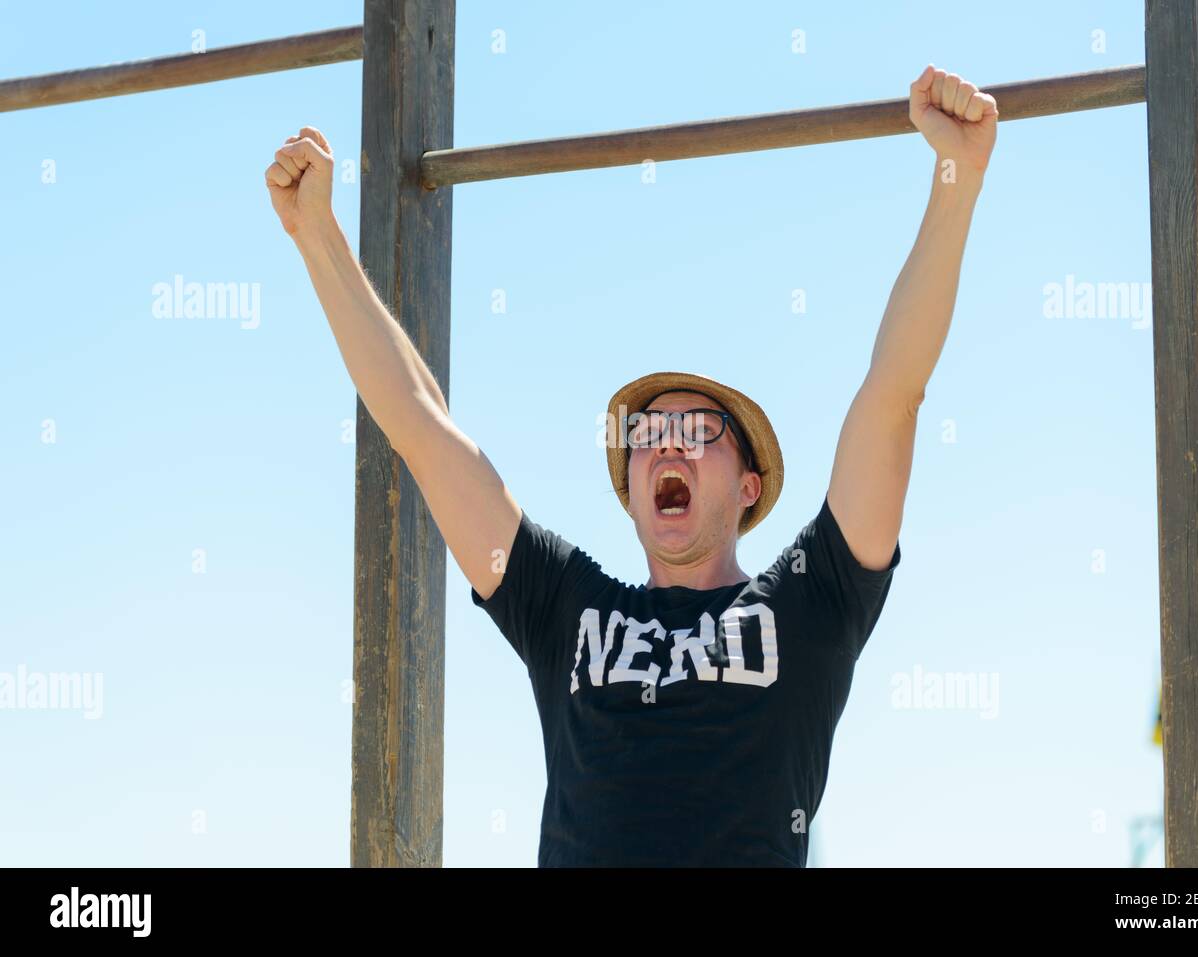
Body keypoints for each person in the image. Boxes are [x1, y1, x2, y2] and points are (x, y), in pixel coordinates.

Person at [265, 65, 998, 866]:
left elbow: (893, 393)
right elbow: (421, 427)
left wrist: (955, 179)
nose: (669, 443)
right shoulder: (565, 606)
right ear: (631, 491)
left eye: (698, 429)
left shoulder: (812, 600)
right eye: (648, 433)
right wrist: (317, 236)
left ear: (749, 486)